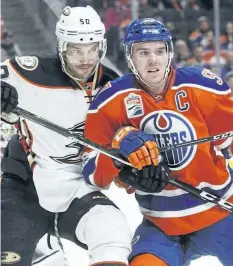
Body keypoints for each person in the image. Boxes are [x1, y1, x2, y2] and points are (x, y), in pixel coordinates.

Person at [82, 18, 233, 266]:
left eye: (159, 51)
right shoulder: (110, 100)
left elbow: (230, 143)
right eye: (143, 52)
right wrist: (119, 149)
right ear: (130, 57)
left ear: (169, 53)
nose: (153, 60)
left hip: (220, 212)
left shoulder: (204, 86)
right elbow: (91, 173)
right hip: (159, 224)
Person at [0, 5, 132, 266]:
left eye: (92, 48)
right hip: (23, 188)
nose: (85, 58)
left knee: (113, 232)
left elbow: (120, 144)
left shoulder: (112, 86)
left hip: (77, 188)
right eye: (76, 49)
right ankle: (45, 250)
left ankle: (48, 248)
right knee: (8, 258)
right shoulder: (28, 72)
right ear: (61, 46)